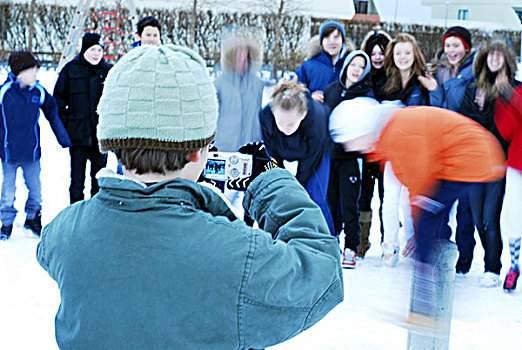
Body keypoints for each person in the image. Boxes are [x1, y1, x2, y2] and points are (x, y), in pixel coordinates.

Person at [36, 44, 343, 349]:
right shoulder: (236, 253)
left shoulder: (66, 230)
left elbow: (50, 251)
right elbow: (322, 272)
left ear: (113, 142)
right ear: (199, 151)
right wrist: (269, 180)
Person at [329, 97, 504, 327]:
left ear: (361, 129)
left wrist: (419, 225)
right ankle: (434, 292)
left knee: (426, 222)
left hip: (469, 158)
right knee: (428, 224)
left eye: (349, 140)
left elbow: (421, 180)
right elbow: (413, 180)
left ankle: (425, 304)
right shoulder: (390, 134)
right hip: (461, 159)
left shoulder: (398, 132)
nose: (349, 147)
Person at [458, 38, 518, 286]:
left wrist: (503, 95)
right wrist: (480, 109)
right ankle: (484, 265)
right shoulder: (474, 89)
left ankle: (493, 267)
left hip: (499, 163)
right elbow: (466, 124)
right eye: (490, 54)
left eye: (499, 54)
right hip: (475, 161)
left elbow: (507, 130)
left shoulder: (515, 89)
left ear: (507, 59)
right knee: (475, 215)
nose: (494, 59)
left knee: (489, 218)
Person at [419, 26, 477, 273]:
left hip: (465, 146)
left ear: (467, 47)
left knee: (465, 207)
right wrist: (434, 91)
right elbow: (439, 111)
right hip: (443, 146)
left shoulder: (474, 72)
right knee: (438, 203)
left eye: (456, 45)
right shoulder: (441, 72)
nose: (451, 50)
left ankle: (464, 262)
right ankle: (441, 252)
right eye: (448, 45)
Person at [0, 51, 71, 240]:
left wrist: (64, 138)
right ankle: (6, 223)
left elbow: (52, 112)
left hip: (32, 153)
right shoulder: (5, 92)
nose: (35, 75)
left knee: (36, 190)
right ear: (19, 71)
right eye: (32, 71)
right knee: (8, 192)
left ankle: (32, 218)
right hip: (9, 154)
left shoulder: (38, 92)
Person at [378, 33, 431, 266]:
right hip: (392, 151)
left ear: (415, 54)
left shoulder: (424, 82)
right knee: (389, 199)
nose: (403, 57)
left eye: (407, 52)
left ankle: (412, 241)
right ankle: (390, 245)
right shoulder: (385, 82)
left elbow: (433, 112)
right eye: (398, 52)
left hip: (417, 152)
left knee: (411, 201)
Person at [259, 75, 335, 235]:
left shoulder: (316, 117)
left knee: (315, 197)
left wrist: (298, 183)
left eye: (291, 124)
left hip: (316, 153)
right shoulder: (265, 116)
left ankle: (328, 241)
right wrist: (281, 178)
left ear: (303, 114)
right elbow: (272, 153)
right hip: (283, 149)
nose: (285, 129)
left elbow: (312, 158)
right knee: (279, 194)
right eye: (281, 122)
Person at [324, 50, 373, 268]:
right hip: (330, 156)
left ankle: (351, 246)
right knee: (330, 199)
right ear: (346, 66)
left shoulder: (366, 95)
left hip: (351, 160)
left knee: (349, 203)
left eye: (362, 67)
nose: (357, 70)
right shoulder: (331, 90)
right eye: (354, 64)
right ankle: (331, 239)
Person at [53, 32, 112, 204]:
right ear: (84, 49)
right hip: (77, 137)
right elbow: (58, 100)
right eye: (93, 49)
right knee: (77, 182)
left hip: (100, 138)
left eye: (100, 50)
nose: (96, 54)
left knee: (98, 180)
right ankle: (76, 212)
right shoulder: (70, 70)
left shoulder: (108, 72)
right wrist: (67, 126)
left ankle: (95, 212)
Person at [356, 29, 392, 255]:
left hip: (389, 150)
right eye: (373, 52)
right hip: (367, 150)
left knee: (387, 197)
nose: (377, 57)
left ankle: (387, 241)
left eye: (382, 52)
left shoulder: (394, 78)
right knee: (365, 195)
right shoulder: (362, 78)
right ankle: (361, 242)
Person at [495, 84, 522, 292]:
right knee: (513, 217)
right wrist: (505, 102)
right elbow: (506, 131)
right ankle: (513, 265)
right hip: (517, 164)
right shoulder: (518, 93)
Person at [295, 20, 352, 103]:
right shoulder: (309, 66)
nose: (332, 41)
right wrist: (309, 97)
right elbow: (289, 91)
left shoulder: (351, 65)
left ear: (343, 40)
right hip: (317, 113)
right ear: (321, 42)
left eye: (336, 37)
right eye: (327, 37)